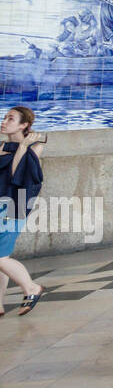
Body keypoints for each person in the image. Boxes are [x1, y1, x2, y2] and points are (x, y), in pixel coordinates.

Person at [0, 106, 44, 316]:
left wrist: (23, 147)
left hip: (14, 206)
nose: (4, 121)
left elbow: (16, 176)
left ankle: (31, 288)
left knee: (0, 258)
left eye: (11, 118)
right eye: (5, 117)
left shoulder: (34, 147)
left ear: (24, 125)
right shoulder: (2, 145)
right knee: (2, 255)